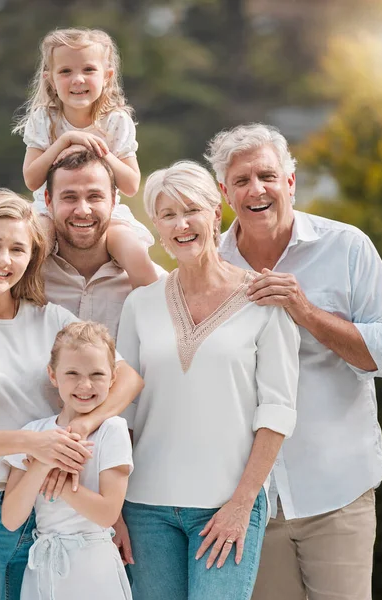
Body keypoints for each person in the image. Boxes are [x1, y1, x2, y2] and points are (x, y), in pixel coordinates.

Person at [204, 123, 382, 600]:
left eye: (267, 176)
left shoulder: (347, 247)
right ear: (224, 193)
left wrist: (307, 313)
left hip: (337, 492)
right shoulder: (209, 264)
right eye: (241, 180)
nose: (256, 189)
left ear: (290, 181)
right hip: (250, 503)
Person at [0, 189, 143, 600]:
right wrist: (36, 445)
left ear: (31, 257)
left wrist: (82, 427)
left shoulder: (49, 318)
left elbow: (127, 378)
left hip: (53, 515)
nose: (4, 260)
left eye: (18, 248)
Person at [115, 161, 300, 600]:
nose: (182, 223)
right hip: (145, 509)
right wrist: (114, 509)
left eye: (192, 209)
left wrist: (242, 504)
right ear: (155, 226)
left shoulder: (264, 301)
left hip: (226, 506)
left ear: (216, 213)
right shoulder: (139, 305)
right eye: (167, 214)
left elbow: (277, 412)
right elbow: (121, 415)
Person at [14, 26, 157, 288]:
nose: (77, 79)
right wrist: (64, 142)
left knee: (135, 254)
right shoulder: (45, 119)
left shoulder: (115, 121)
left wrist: (100, 152)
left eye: (89, 70)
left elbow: (131, 184)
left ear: (107, 76)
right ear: (51, 79)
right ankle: (19, 314)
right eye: (66, 71)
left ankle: (152, 316)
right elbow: (32, 180)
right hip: (50, 210)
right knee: (31, 252)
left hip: (104, 211)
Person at [2, 321, 133, 600]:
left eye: (97, 374)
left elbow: (107, 513)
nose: (85, 385)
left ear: (112, 378)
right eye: (72, 373)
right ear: (53, 375)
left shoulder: (113, 430)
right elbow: (12, 519)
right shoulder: (33, 434)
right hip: (43, 568)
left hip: (94, 568)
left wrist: (58, 487)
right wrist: (42, 463)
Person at [41, 150, 165, 340]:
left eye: (94, 196)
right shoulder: (26, 279)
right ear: (48, 201)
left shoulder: (152, 281)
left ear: (114, 201)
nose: (83, 210)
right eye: (70, 197)